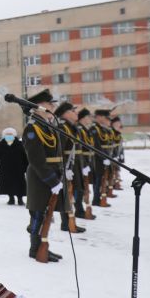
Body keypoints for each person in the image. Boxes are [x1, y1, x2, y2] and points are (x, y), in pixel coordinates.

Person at [21, 89, 63, 263]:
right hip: (40, 177)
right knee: (38, 214)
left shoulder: (47, 127)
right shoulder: (32, 129)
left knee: (47, 214)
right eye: (48, 104)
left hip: (51, 174)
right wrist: (51, 180)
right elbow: (37, 160)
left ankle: (43, 245)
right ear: (38, 108)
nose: (52, 106)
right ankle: (35, 249)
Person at [55, 102, 86, 234]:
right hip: (67, 166)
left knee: (71, 194)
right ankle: (66, 223)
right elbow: (59, 151)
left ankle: (69, 222)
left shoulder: (71, 127)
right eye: (73, 111)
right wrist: (63, 169)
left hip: (74, 165)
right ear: (66, 113)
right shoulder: (63, 127)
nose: (76, 114)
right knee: (67, 195)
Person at [0, 127, 27, 205]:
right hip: (5, 168)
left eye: (10, 134)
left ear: (14, 135)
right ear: (4, 135)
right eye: (7, 134)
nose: (9, 136)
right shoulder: (1, 144)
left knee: (19, 184)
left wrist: (26, 167)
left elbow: (25, 156)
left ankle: (20, 199)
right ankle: (11, 198)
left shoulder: (20, 144)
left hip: (18, 168)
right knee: (7, 184)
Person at [74, 109, 95, 220]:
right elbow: (80, 149)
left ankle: (80, 209)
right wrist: (84, 164)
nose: (90, 119)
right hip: (81, 162)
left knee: (83, 187)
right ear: (83, 118)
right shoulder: (80, 130)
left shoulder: (86, 130)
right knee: (79, 188)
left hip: (86, 161)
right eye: (88, 117)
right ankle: (78, 209)